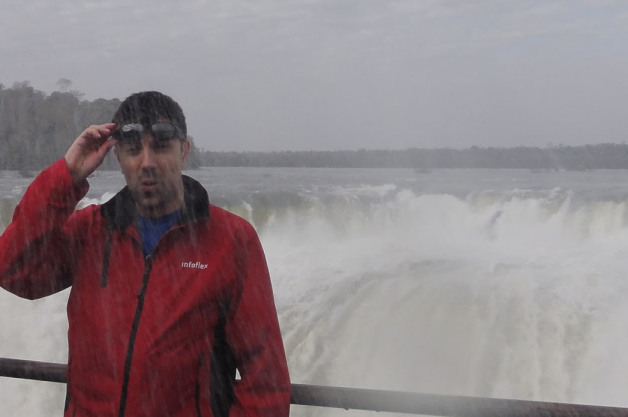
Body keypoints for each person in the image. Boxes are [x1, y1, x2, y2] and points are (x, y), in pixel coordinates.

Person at [0, 91, 291, 417]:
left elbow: (265, 382)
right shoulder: (90, 233)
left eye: (162, 147)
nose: (147, 162)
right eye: (134, 149)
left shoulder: (231, 241)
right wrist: (67, 175)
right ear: (117, 157)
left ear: (184, 152)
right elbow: (12, 270)